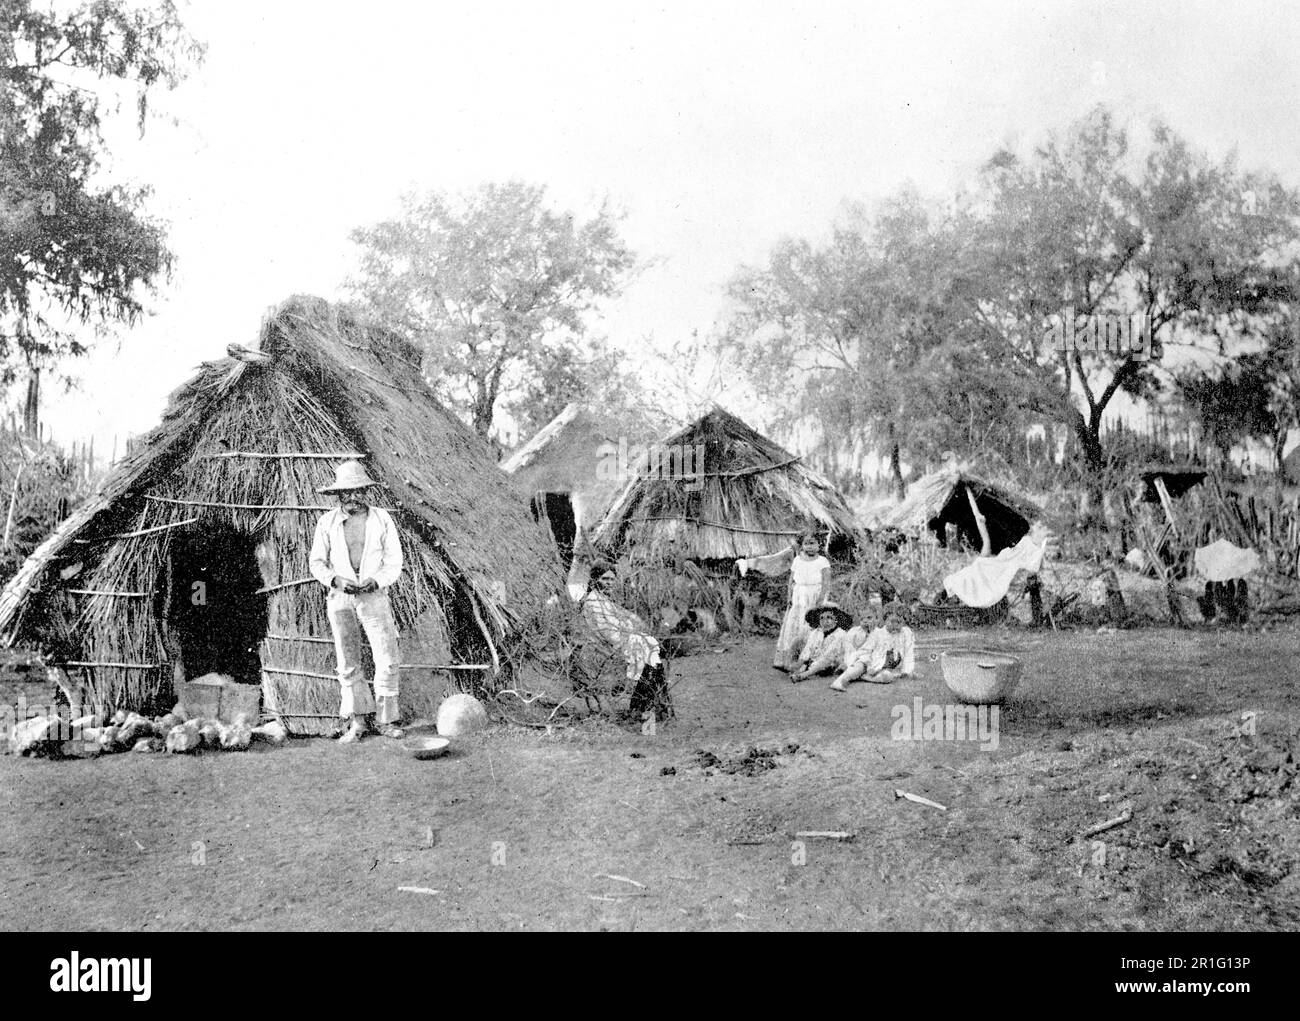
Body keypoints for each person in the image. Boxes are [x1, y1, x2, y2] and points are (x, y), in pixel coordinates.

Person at [309, 460, 404, 743]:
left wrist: (376, 580)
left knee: (386, 657)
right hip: (341, 598)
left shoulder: (381, 519)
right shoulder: (327, 523)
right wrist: (337, 580)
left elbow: (394, 561)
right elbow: (316, 562)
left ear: (367, 492)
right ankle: (358, 721)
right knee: (348, 660)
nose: (353, 498)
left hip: (373, 596)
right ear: (338, 495)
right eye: (347, 493)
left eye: (358, 491)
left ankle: (386, 720)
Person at [581, 561, 670, 718]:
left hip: (620, 642)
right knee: (650, 663)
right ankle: (649, 711)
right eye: (605, 579)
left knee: (652, 660)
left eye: (612, 579)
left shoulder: (604, 599)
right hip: (605, 647)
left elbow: (627, 618)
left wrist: (630, 623)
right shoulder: (593, 601)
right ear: (595, 580)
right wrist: (628, 630)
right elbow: (607, 632)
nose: (609, 583)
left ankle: (647, 709)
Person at [773, 531, 831, 671]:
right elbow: (791, 580)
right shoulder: (797, 560)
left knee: (810, 626)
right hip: (799, 596)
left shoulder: (822, 561)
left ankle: (808, 660)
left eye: (812, 543)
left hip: (814, 595)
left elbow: (826, 582)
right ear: (802, 546)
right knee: (795, 625)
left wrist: (821, 599)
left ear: (819, 544)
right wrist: (789, 597)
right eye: (806, 544)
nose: (809, 547)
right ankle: (788, 659)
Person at [830, 609, 915, 691]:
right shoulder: (878, 633)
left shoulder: (906, 633)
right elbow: (864, 650)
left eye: (899, 622)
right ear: (885, 621)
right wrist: (850, 662)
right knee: (861, 663)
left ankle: (864, 677)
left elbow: (909, 653)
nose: (895, 625)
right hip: (871, 662)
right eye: (892, 621)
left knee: (887, 676)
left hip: (886, 669)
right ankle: (840, 681)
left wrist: (907, 671)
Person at [791, 602, 858, 682]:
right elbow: (807, 650)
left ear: (836, 620)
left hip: (834, 661)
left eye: (829, 618)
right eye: (822, 618)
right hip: (818, 660)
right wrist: (800, 663)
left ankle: (804, 675)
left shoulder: (840, 634)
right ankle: (803, 670)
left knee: (829, 662)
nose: (825, 621)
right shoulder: (816, 632)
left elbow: (830, 655)